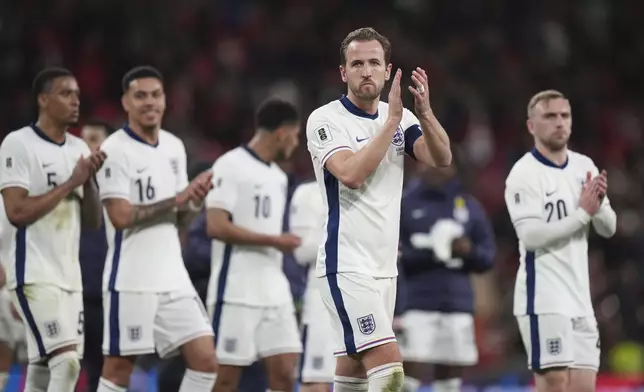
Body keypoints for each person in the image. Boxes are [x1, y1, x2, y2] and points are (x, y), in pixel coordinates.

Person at [305, 26, 452, 392]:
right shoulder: (325, 120)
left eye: (374, 62)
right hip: (347, 265)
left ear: (388, 71)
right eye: (357, 64)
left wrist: (425, 112)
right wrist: (390, 124)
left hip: (385, 269)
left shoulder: (400, 116)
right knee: (390, 373)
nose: (366, 71)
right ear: (343, 72)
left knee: (353, 377)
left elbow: (441, 157)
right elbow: (351, 174)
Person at [95, 65, 218, 392]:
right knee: (118, 371)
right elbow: (120, 216)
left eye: (155, 95)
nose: (149, 102)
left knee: (206, 362)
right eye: (140, 96)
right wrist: (175, 198)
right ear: (126, 102)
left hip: (172, 277)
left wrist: (193, 202)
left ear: (165, 100)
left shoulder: (174, 147)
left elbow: (179, 217)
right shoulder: (113, 150)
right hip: (132, 279)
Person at [0, 67, 106, 391]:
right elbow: (17, 211)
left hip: (69, 279)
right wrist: (71, 182)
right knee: (67, 363)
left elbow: (92, 222)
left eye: (76, 94)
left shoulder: (79, 149)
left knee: (43, 368)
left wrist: (88, 184)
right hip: (32, 273)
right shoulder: (18, 144)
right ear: (43, 100)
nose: (75, 100)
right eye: (65, 93)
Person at [504, 90, 617, 392]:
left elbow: (609, 228)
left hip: (580, 299)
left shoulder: (584, 166)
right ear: (531, 126)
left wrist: (600, 204)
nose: (559, 123)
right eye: (549, 116)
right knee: (554, 384)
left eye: (564, 116)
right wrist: (583, 214)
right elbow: (530, 237)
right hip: (544, 298)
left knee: (583, 388)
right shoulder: (524, 174)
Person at [206, 97, 303, 392]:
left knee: (286, 374)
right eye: (296, 135)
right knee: (225, 379)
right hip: (236, 290)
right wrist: (274, 240)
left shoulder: (278, 177)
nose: (297, 144)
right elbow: (216, 225)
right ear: (282, 133)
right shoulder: (229, 165)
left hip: (273, 289)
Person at [396, 160, 495, 392]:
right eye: (429, 162)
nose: (435, 167)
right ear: (420, 165)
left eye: (441, 162)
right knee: (409, 369)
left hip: (457, 303)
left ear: (452, 166)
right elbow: (392, 253)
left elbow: (487, 257)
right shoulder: (404, 204)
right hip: (416, 303)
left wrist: (467, 251)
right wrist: (434, 252)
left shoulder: (470, 207)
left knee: (451, 376)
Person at [289, 180, 335, 392]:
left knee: (361, 379)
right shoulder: (309, 193)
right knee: (316, 379)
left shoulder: (372, 189)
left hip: (366, 292)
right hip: (323, 297)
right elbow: (302, 251)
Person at [78, 119, 112, 392]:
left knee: (104, 371)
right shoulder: (67, 186)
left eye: (95, 139)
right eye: (85, 139)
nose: (90, 146)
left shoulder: (120, 189)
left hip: (107, 294)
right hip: (74, 292)